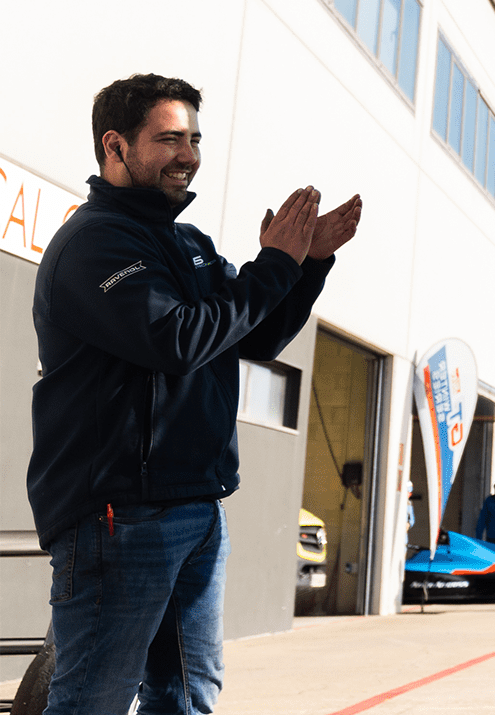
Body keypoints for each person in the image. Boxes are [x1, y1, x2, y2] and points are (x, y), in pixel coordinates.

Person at [26, 73, 360, 713]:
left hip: (197, 509)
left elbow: (252, 337)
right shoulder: (95, 242)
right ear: (116, 146)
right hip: (120, 517)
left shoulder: (189, 244)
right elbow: (176, 339)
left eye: (196, 139)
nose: (189, 155)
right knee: (92, 701)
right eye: (171, 139)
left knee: (187, 697)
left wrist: (308, 265)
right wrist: (275, 266)